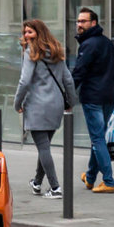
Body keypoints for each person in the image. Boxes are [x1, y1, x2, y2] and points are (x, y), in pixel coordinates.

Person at [13, 19, 78, 199]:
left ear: (39, 33)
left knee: (43, 147)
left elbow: (24, 82)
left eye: (30, 32)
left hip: (37, 106)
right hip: (55, 105)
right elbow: (68, 80)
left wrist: (17, 104)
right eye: (25, 32)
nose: (26, 35)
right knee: (45, 147)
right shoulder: (57, 51)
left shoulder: (30, 53)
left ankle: (55, 187)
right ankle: (37, 182)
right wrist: (71, 102)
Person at [72, 7, 114, 193]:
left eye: (83, 21)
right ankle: (90, 177)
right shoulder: (107, 43)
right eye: (78, 21)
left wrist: (68, 95)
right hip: (108, 97)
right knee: (98, 138)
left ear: (94, 23)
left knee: (98, 139)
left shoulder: (88, 45)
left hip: (93, 97)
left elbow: (79, 72)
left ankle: (109, 181)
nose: (79, 24)